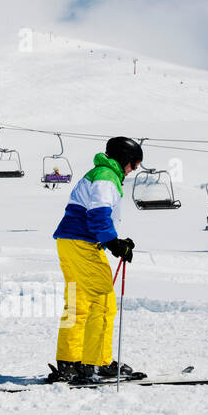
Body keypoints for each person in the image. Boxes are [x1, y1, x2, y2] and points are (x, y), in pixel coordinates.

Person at [48, 137, 145, 384]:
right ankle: (97, 363)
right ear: (124, 160)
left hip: (68, 242)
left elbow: (94, 212)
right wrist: (113, 242)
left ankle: (70, 362)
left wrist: (114, 240)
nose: (133, 170)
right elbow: (98, 212)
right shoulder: (106, 175)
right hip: (84, 243)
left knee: (78, 304)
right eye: (134, 165)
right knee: (103, 302)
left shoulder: (96, 173)